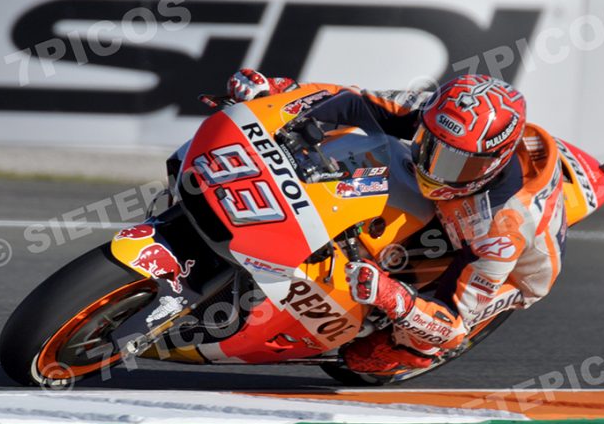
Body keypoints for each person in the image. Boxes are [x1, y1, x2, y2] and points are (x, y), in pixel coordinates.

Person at [226, 69, 567, 375]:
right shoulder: (434, 113)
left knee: (415, 340)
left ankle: (404, 353)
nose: (432, 168)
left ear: (491, 165)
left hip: (517, 269)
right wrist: (281, 91)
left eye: (452, 163)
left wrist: (392, 297)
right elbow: (352, 101)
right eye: (428, 146)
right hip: (456, 207)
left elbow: (454, 326)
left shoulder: (501, 230)